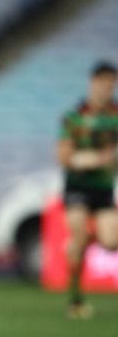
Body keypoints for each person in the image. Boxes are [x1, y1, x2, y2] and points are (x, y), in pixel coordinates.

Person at [56, 61, 118, 319]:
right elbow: (64, 156)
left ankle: (81, 241)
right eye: (103, 82)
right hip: (77, 188)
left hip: (103, 189)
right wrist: (92, 159)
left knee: (110, 242)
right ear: (93, 83)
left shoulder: (115, 116)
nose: (107, 88)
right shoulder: (75, 116)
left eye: (111, 84)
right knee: (79, 239)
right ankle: (76, 300)